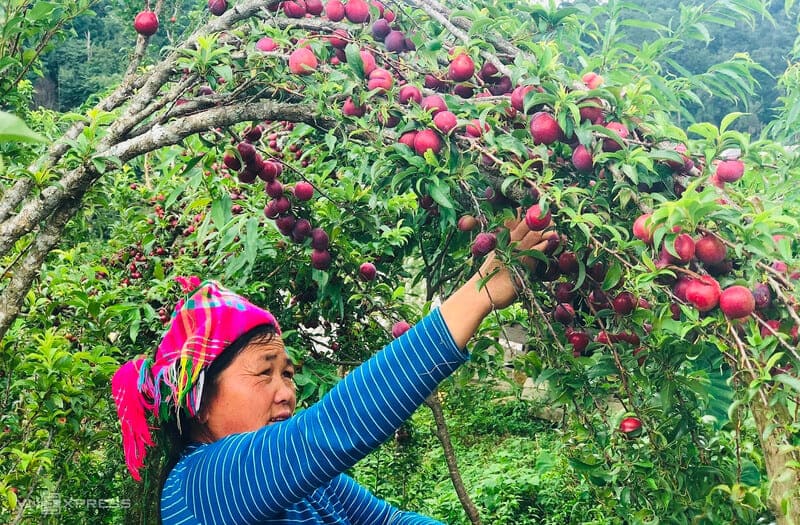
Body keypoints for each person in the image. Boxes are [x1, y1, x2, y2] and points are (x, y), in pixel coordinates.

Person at [111, 217, 554, 524]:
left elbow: (385, 521)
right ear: (200, 402)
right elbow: (323, 432)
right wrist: (479, 295)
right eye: (264, 373)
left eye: (286, 374)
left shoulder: (309, 486)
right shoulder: (197, 489)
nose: (286, 391)